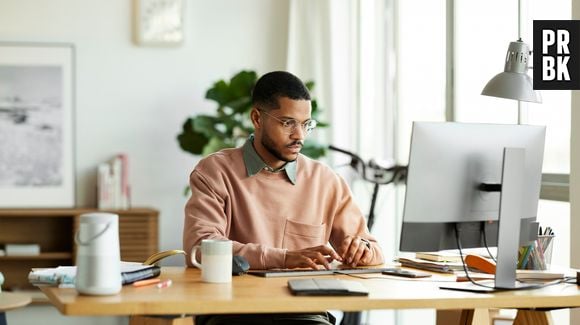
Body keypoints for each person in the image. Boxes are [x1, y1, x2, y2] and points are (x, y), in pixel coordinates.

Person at [183, 71, 384, 325]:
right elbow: (201, 248)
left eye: (306, 124)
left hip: (306, 316)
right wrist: (285, 258)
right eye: (288, 123)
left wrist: (361, 251)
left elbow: (374, 250)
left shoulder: (325, 181)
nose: (299, 135)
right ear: (257, 118)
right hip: (232, 314)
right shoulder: (215, 171)